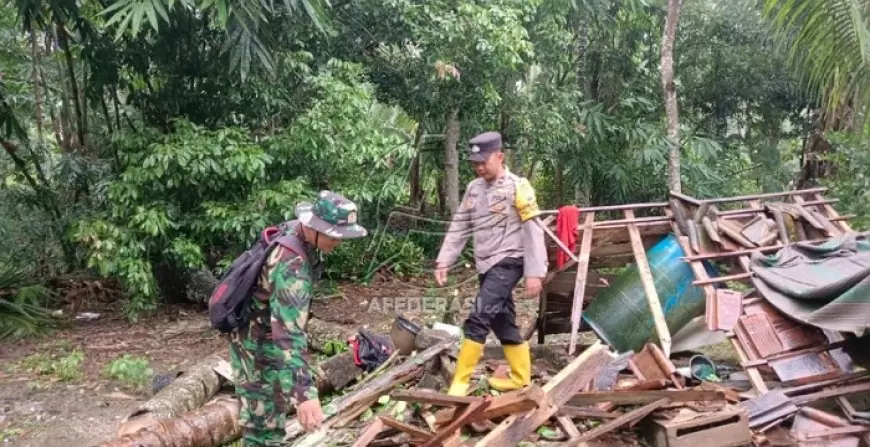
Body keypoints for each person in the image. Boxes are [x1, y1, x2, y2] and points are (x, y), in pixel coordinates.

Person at [228, 190, 368, 446]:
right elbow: (288, 335)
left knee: (267, 425)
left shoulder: (296, 233)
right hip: (259, 350)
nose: (338, 243)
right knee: (264, 433)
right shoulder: (291, 265)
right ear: (314, 226)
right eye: (333, 235)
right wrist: (305, 394)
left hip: (263, 341)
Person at [434, 131, 548, 396]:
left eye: (484, 161)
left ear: (500, 156)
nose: (479, 167)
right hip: (485, 264)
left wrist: (535, 272)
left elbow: (533, 230)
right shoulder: (474, 189)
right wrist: (444, 260)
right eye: (475, 163)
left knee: (479, 315)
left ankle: (460, 383)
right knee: (501, 319)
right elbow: (460, 226)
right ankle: (521, 378)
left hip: (510, 260)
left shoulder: (519, 187)